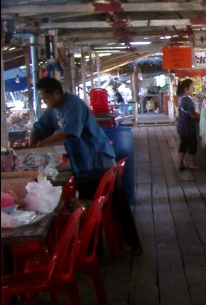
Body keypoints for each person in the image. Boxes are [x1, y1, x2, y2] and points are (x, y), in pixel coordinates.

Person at [29, 77, 142, 255]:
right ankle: (93, 250)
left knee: (117, 204)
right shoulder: (53, 110)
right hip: (82, 165)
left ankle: (133, 243)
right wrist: (32, 140)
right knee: (88, 208)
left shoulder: (73, 104)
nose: (44, 102)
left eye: (45, 98)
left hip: (99, 161)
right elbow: (39, 126)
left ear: (56, 93)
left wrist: (44, 143)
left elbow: (69, 130)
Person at [176, 78, 200, 170]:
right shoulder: (187, 100)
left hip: (182, 126)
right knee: (192, 144)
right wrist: (201, 116)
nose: (193, 88)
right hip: (188, 127)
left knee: (184, 144)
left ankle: (180, 163)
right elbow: (193, 114)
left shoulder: (181, 98)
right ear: (186, 88)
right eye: (192, 87)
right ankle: (191, 163)